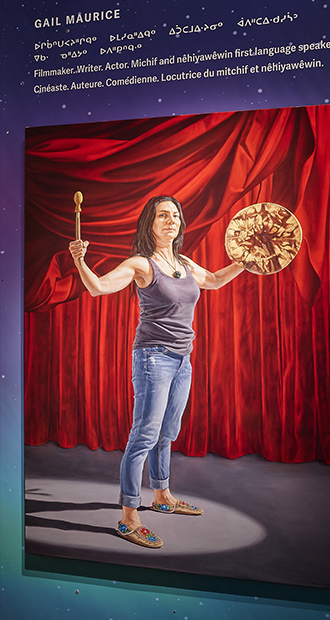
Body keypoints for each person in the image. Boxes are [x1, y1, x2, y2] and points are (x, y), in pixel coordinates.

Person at [67, 194, 253, 549]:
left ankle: (162, 495)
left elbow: (212, 280)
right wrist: (81, 262)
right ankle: (128, 516)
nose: (171, 220)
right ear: (149, 225)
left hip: (183, 359)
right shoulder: (142, 263)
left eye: (175, 215)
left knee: (168, 430)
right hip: (154, 358)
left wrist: (244, 263)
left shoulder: (184, 263)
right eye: (162, 216)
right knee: (144, 436)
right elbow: (99, 288)